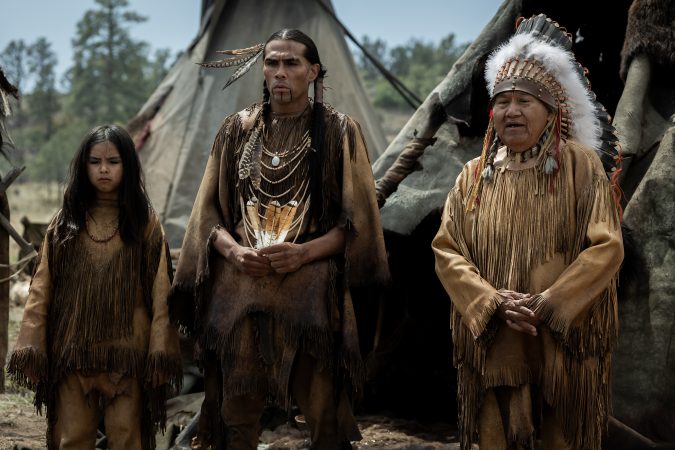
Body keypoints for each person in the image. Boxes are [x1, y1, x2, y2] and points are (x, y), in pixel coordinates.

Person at [169, 29, 388, 450]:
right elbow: (207, 215)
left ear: (313, 71)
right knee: (236, 412)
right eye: (272, 63)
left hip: (311, 288)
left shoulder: (340, 132)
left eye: (291, 63)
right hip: (240, 284)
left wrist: (304, 252)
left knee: (322, 408)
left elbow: (356, 224)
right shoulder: (236, 129)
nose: (280, 72)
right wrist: (234, 251)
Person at [432, 15, 624, 450]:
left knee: (561, 434)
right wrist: (491, 302)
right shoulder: (473, 176)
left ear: (552, 110)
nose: (511, 111)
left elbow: (605, 246)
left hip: (560, 338)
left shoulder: (580, 166)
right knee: (496, 432)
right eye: (502, 101)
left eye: (524, 101)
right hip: (496, 337)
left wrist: (550, 304)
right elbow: (447, 249)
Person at [7, 125, 182, 450]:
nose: (104, 169)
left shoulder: (144, 223)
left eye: (113, 162)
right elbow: (41, 288)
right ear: (83, 166)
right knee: (72, 438)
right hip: (73, 353)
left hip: (128, 355)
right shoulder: (65, 223)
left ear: (127, 165)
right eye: (95, 162)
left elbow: (161, 293)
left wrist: (160, 353)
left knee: (127, 437)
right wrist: (32, 348)